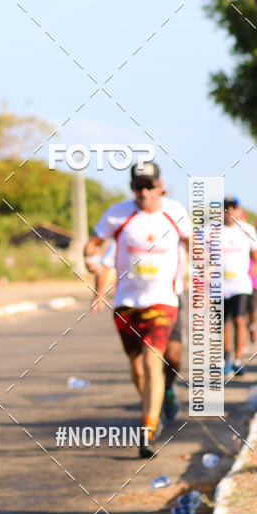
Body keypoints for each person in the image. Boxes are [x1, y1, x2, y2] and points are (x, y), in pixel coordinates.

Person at [85, 162, 189, 458]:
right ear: (132, 188)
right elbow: (93, 247)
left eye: (149, 186)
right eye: (138, 186)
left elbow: (194, 244)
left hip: (164, 299)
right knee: (138, 370)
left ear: (160, 186)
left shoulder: (175, 212)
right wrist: (92, 266)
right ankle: (157, 401)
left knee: (158, 360)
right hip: (127, 304)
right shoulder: (118, 215)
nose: (144, 192)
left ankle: (147, 431)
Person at [92, 238, 185, 422]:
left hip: (168, 302)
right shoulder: (125, 233)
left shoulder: (175, 229)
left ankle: (167, 389)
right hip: (131, 306)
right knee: (139, 369)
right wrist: (99, 293)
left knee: (173, 357)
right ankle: (152, 412)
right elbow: (105, 265)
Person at [222, 197, 257, 376]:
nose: (229, 210)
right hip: (219, 286)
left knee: (239, 319)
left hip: (240, 284)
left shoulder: (247, 229)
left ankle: (238, 359)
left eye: (233, 207)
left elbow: (256, 251)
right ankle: (226, 358)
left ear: (239, 210)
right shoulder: (211, 231)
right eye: (226, 207)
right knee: (223, 324)